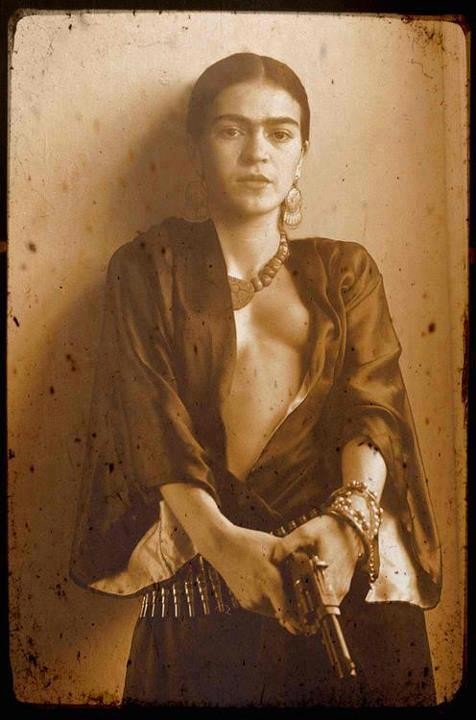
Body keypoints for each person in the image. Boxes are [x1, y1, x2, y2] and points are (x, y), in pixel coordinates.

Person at [70, 53, 442, 707]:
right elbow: (149, 419)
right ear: (196, 149)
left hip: (346, 579)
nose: (256, 153)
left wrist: (348, 527)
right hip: (204, 578)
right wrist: (225, 547)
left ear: (302, 154)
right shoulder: (147, 270)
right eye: (231, 130)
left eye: (279, 132)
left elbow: (373, 403)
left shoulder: (346, 272)